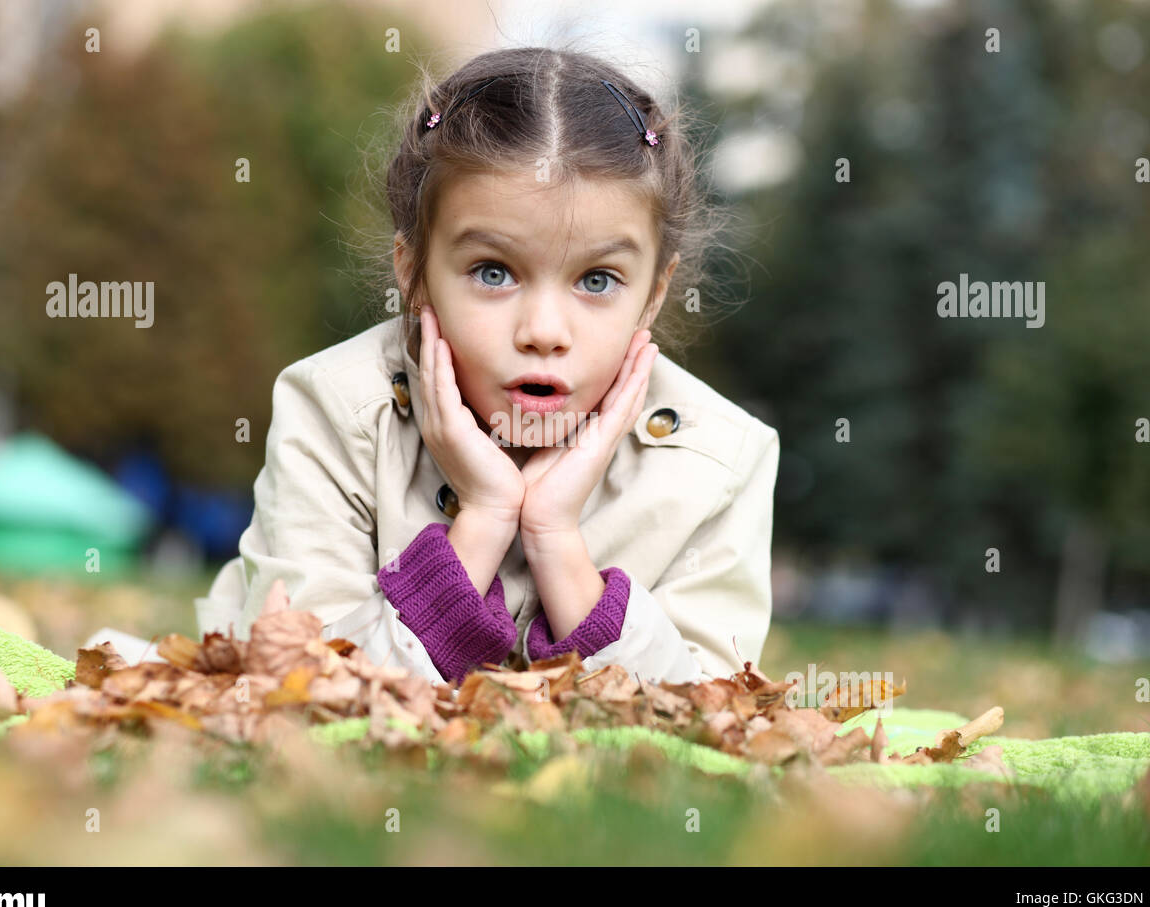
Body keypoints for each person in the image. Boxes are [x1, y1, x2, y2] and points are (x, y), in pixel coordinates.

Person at [196, 46, 780, 688]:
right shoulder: (333, 409)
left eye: (598, 279)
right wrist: (483, 519)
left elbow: (705, 717)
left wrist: (555, 538)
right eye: (493, 273)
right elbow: (306, 686)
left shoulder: (724, 460)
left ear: (656, 291)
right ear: (414, 273)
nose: (543, 333)